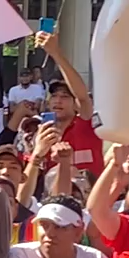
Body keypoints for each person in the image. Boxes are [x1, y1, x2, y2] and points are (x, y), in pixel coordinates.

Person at [36, 31, 102, 176]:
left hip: (88, 195)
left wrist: (55, 53)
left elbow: (83, 97)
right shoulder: (43, 134)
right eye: (54, 96)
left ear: (75, 104)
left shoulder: (86, 124)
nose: (58, 100)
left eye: (65, 96)